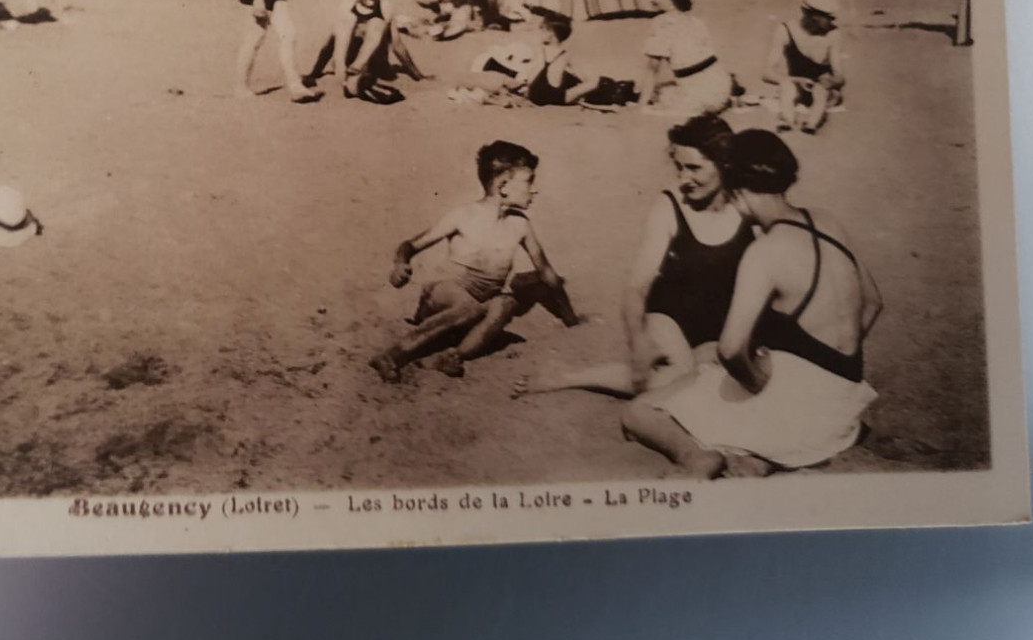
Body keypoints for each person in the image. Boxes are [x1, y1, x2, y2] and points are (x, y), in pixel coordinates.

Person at [622, 129, 883, 478]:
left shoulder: (765, 252)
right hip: (844, 410)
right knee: (705, 365)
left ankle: (696, 459)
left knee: (640, 412)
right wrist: (828, 362)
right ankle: (764, 456)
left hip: (798, 417)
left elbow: (731, 350)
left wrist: (761, 387)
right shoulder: (826, 221)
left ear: (737, 191)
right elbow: (873, 303)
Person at [514, 115, 752, 401]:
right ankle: (566, 375)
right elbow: (636, 287)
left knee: (716, 382)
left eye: (694, 168)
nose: (684, 179)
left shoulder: (746, 207)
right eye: (679, 168)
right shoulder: (670, 206)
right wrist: (638, 341)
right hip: (669, 317)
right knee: (680, 379)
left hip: (720, 323)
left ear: (723, 164)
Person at [370, 141, 574, 382]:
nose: (535, 189)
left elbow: (547, 273)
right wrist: (400, 264)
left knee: (506, 304)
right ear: (504, 185)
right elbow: (410, 246)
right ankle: (392, 355)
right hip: (444, 294)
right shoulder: (464, 216)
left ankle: (452, 355)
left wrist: (570, 318)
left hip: (479, 303)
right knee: (470, 307)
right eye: (529, 181)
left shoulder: (520, 225)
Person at [304, 0, 428, 104]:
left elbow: (397, 45)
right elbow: (329, 44)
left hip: (372, 64)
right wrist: (315, 73)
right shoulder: (347, 7)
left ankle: (356, 69)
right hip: (345, 64)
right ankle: (348, 75)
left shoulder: (385, 7)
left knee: (377, 23)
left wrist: (417, 75)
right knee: (348, 19)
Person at [639, 0, 732, 116]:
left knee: (657, 95)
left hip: (702, 98)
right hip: (723, 87)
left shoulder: (661, 23)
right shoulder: (696, 21)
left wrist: (641, 106)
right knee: (665, 89)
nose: (651, 0)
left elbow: (653, 70)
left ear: (670, 0)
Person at [763, 0, 845, 134]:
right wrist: (796, 80)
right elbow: (767, 73)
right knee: (787, 87)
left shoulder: (833, 34)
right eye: (829, 17)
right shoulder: (785, 30)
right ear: (815, 17)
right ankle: (786, 120)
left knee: (820, 92)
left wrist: (831, 81)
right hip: (798, 86)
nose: (832, 21)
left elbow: (840, 76)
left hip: (822, 87)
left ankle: (811, 125)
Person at [522, 8, 636, 109]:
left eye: (542, 28)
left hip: (535, 95)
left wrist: (528, 91)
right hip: (555, 97)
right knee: (595, 81)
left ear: (550, 34)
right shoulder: (566, 55)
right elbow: (588, 78)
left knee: (573, 80)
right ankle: (617, 90)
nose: (539, 32)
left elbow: (533, 74)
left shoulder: (541, 49)